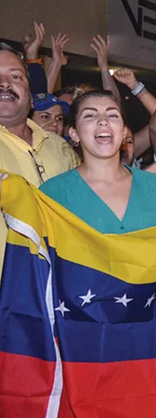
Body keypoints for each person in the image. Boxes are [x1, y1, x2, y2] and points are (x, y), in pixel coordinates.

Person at [38, 90, 156, 233]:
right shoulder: (53, 194)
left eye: (112, 115)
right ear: (74, 134)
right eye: (90, 115)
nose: (103, 121)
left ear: (123, 132)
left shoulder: (153, 185)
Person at [0, 43, 79, 286]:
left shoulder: (59, 146)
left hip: (63, 289)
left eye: (15, 76)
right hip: (9, 299)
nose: (5, 83)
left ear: (31, 97)